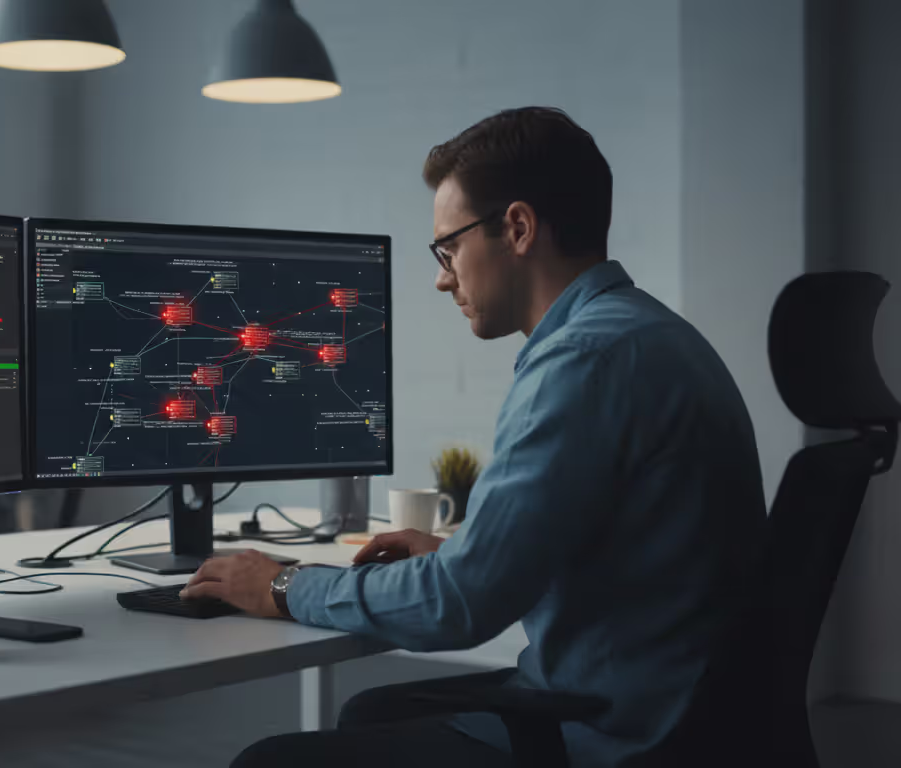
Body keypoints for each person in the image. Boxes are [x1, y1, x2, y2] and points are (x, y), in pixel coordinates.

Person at [182, 107, 767, 767]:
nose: (441, 276)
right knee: (370, 711)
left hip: (616, 733)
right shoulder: (647, 333)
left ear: (517, 228)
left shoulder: (582, 361)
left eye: (449, 247)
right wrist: (459, 553)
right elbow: (619, 549)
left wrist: (285, 585)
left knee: (270, 762)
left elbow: (461, 607)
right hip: (681, 708)